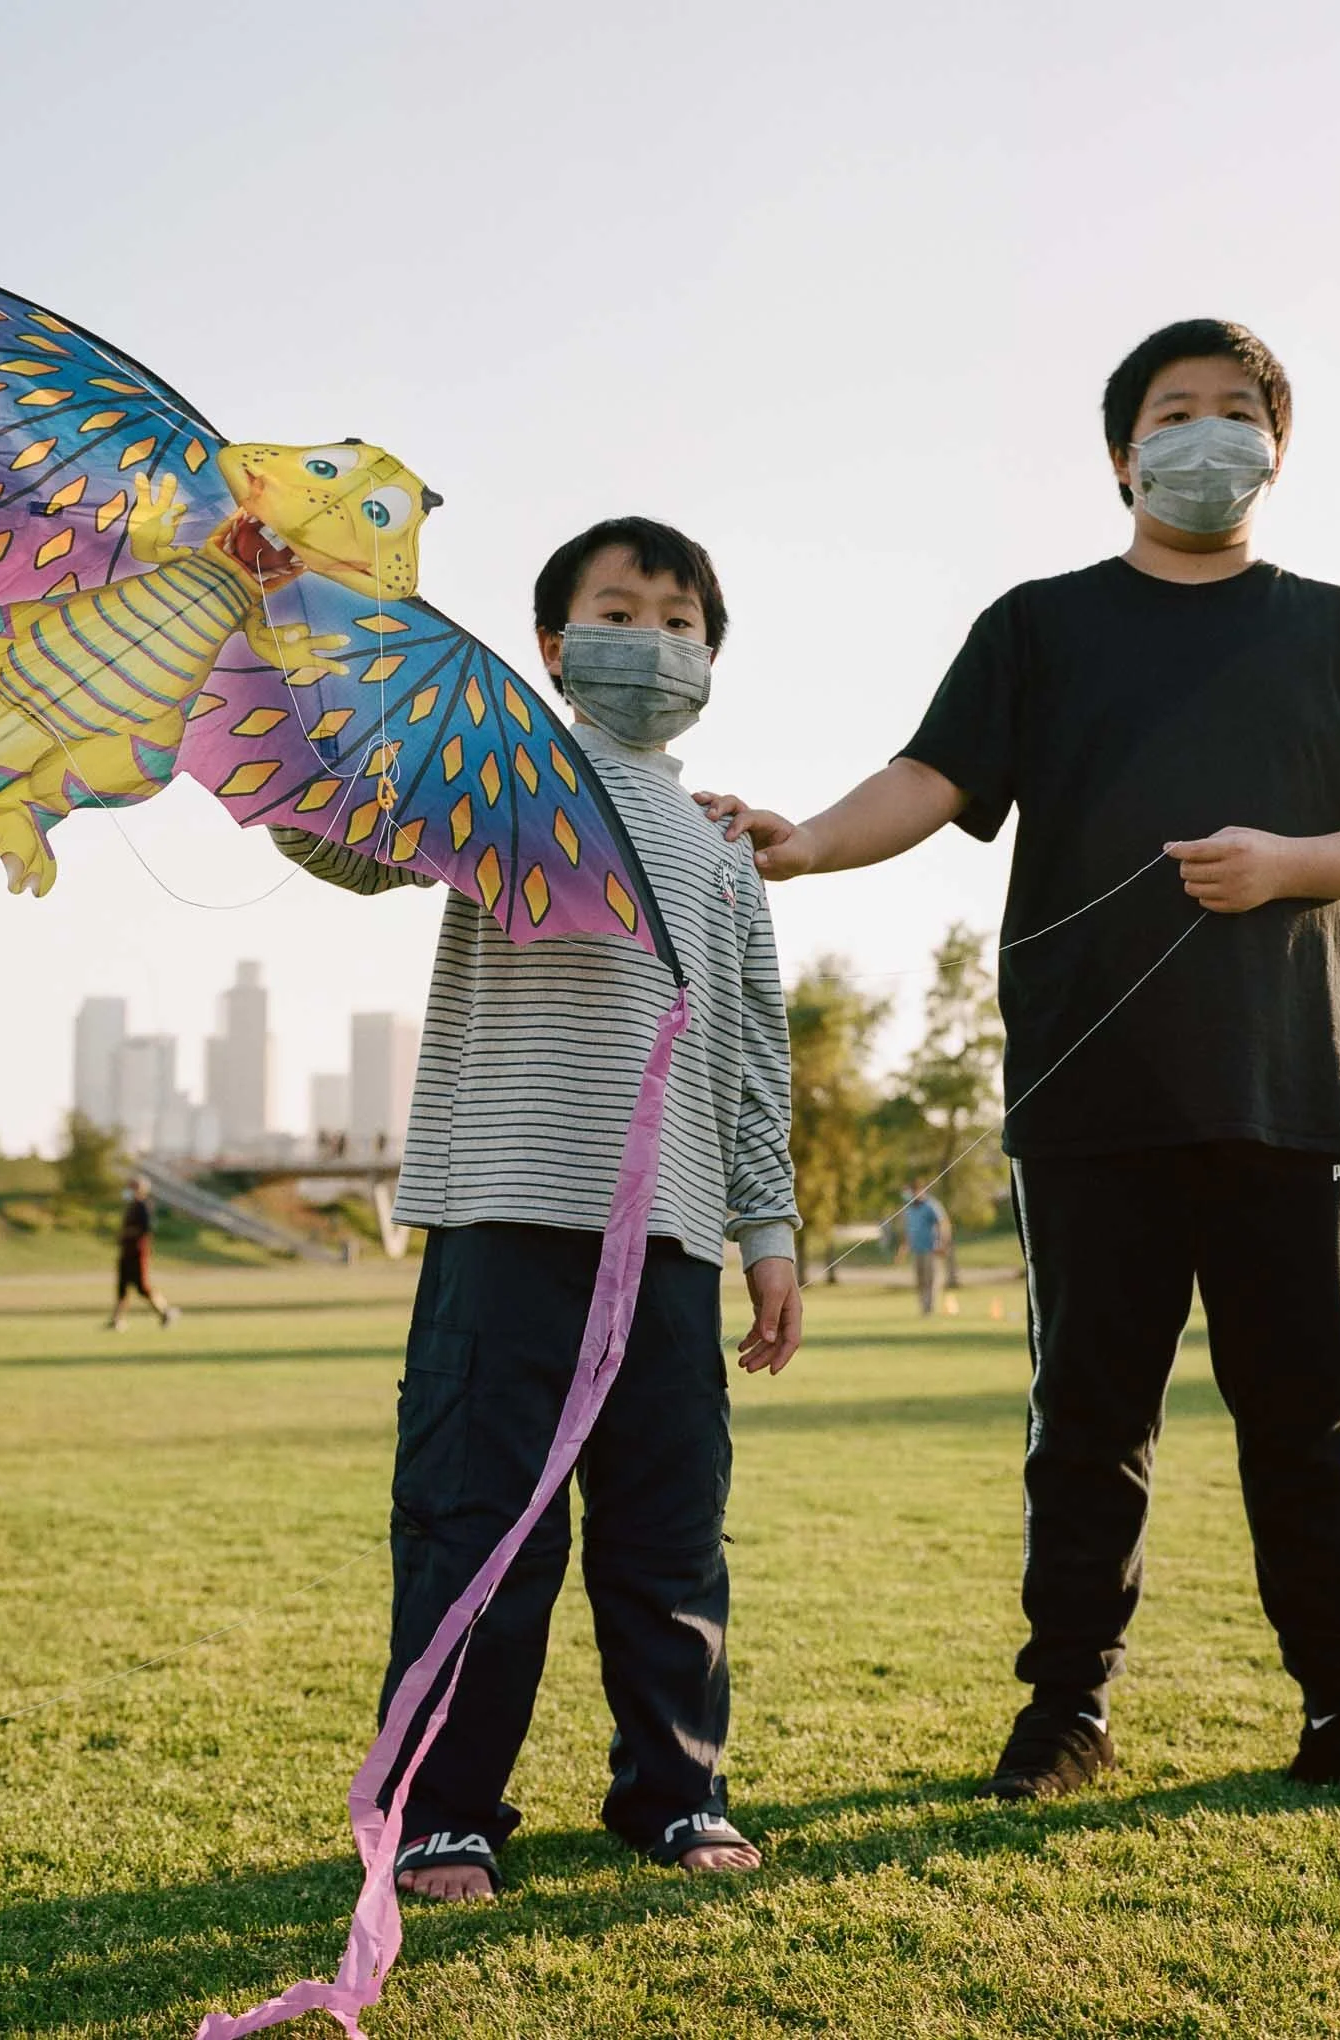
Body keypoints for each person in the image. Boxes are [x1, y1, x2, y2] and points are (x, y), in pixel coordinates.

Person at [698, 322, 1340, 1813]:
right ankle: (1066, 1712)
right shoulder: (1040, 627)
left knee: (1311, 1423)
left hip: (1291, 1089)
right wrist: (802, 845)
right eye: (1174, 412)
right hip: (1091, 1094)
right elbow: (927, 782)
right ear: (1124, 454)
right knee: (1087, 1425)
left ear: (1277, 450)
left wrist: (1290, 864)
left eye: (1237, 412)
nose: (1206, 434)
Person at [271, 515, 802, 1901]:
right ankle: (444, 1811)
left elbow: (752, 1057)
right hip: (504, 1219)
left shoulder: (725, 852)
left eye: (683, 621)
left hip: (674, 1242)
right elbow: (342, 841)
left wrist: (771, 1235)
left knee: (668, 1534)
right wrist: (285, 666)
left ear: (711, 660)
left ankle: (674, 1792)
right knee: (474, 1527)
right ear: (557, 647)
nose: (656, 639)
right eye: (622, 611)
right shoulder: (498, 783)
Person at [108, 1176, 178, 1330]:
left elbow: (145, 1229)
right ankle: (116, 1320)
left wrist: (126, 1233)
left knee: (142, 1288)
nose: (128, 1190)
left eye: (132, 1187)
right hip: (126, 1253)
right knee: (122, 1288)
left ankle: (165, 1311)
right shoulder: (131, 1206)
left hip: (138, 1253)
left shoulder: (143, 1206)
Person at [900, 1179, 950, 1315]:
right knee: (920, 1281)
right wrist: (904, 1247)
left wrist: (942, 1244)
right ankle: (923, 1308)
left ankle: (929, 1309)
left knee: (931, 1280)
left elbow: (943, 1224)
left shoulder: (931, 1206)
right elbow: (908, 1230)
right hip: (916, 1250)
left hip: (931, 1249)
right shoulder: (909, 1209)